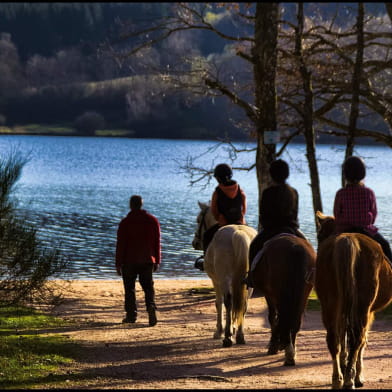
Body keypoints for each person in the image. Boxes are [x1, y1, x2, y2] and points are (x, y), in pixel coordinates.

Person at [245, 159, 307, 287]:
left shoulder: (267, 192)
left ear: (272, 174)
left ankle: (251, 276)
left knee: (254, 247)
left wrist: (267, 225)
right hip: (291, 229)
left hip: (271, 230)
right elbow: (295, 215)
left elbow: (263, 216)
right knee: (307, 247)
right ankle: (312, 273)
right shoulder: (294, 192)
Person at [333, 155, 392, 264]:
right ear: (363, 173)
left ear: (345, 174)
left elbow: (337, 214)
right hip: (366, 231)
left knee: (325, 247)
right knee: (385, 245)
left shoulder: (340, 193)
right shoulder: (369, 192)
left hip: (344, 231)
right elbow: (373, 215)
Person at [115, 195, 161, 326]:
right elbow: (157, 242)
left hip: (129, 260)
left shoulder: (125, 222)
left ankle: (131, 315)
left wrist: (118, 263)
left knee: (129, 288)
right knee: (148, 287)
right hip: (147, 259)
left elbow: (121, 244)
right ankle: (151, 307)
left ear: (130, 205)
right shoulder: (152, 220)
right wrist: (157, 259)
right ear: (141, 204)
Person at [194, 163, 247, 271]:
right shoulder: (240, 191)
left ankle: (207, 262)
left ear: (218, 178)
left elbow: (214, 211)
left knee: (207, 236)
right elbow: (244, 208)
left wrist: (220, 219)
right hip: (240, 223)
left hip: (224, 224)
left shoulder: (217, 192)